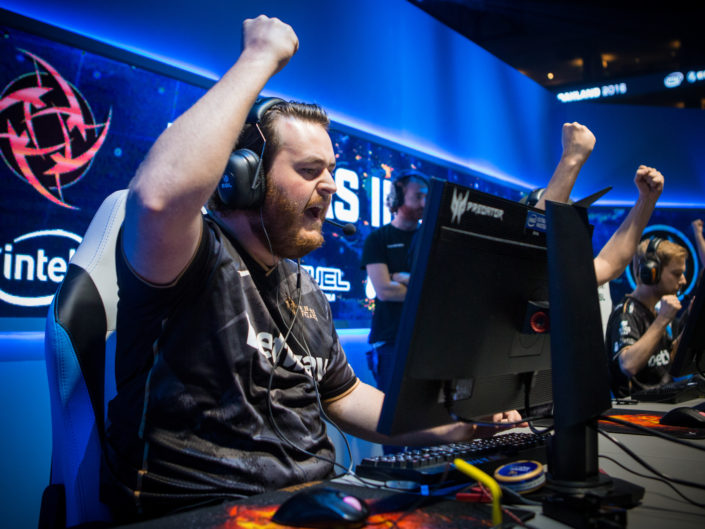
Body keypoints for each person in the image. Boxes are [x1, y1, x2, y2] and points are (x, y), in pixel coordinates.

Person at [101, 15, 521, 522]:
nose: (331, 186)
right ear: (245, 179)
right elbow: (157, 198)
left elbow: (347, 398)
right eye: (308, 170)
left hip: (310, 501)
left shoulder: (302, 287)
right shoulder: (192, 255)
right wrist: (258, 57)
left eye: (332, 171)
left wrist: (461, 425)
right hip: (201, 510)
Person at [530, 122, 665, 329]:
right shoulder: (512, 269)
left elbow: (610, 263)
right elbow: (535, 239)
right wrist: (571, 159)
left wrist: (646, 200)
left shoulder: (564, 277)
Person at [360, 170, 428, 394]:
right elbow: (385, 291)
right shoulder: (378, 239)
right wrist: (426, 287)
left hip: (427, 341)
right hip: (391, 342)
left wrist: (407, 279)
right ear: (398, 197)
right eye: (418, 196)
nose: (424, 203)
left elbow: (444, 290)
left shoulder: (431, 238)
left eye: (426, 197)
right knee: (393, 410)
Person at [604, 238, 687, 397]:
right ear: (651, 273)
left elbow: (667, 359)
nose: (683, 280)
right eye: (677, 274)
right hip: (639, 406)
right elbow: (628, 365)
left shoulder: (655, 311)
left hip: (664, 399)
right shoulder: (627, 313)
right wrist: (662, 320)